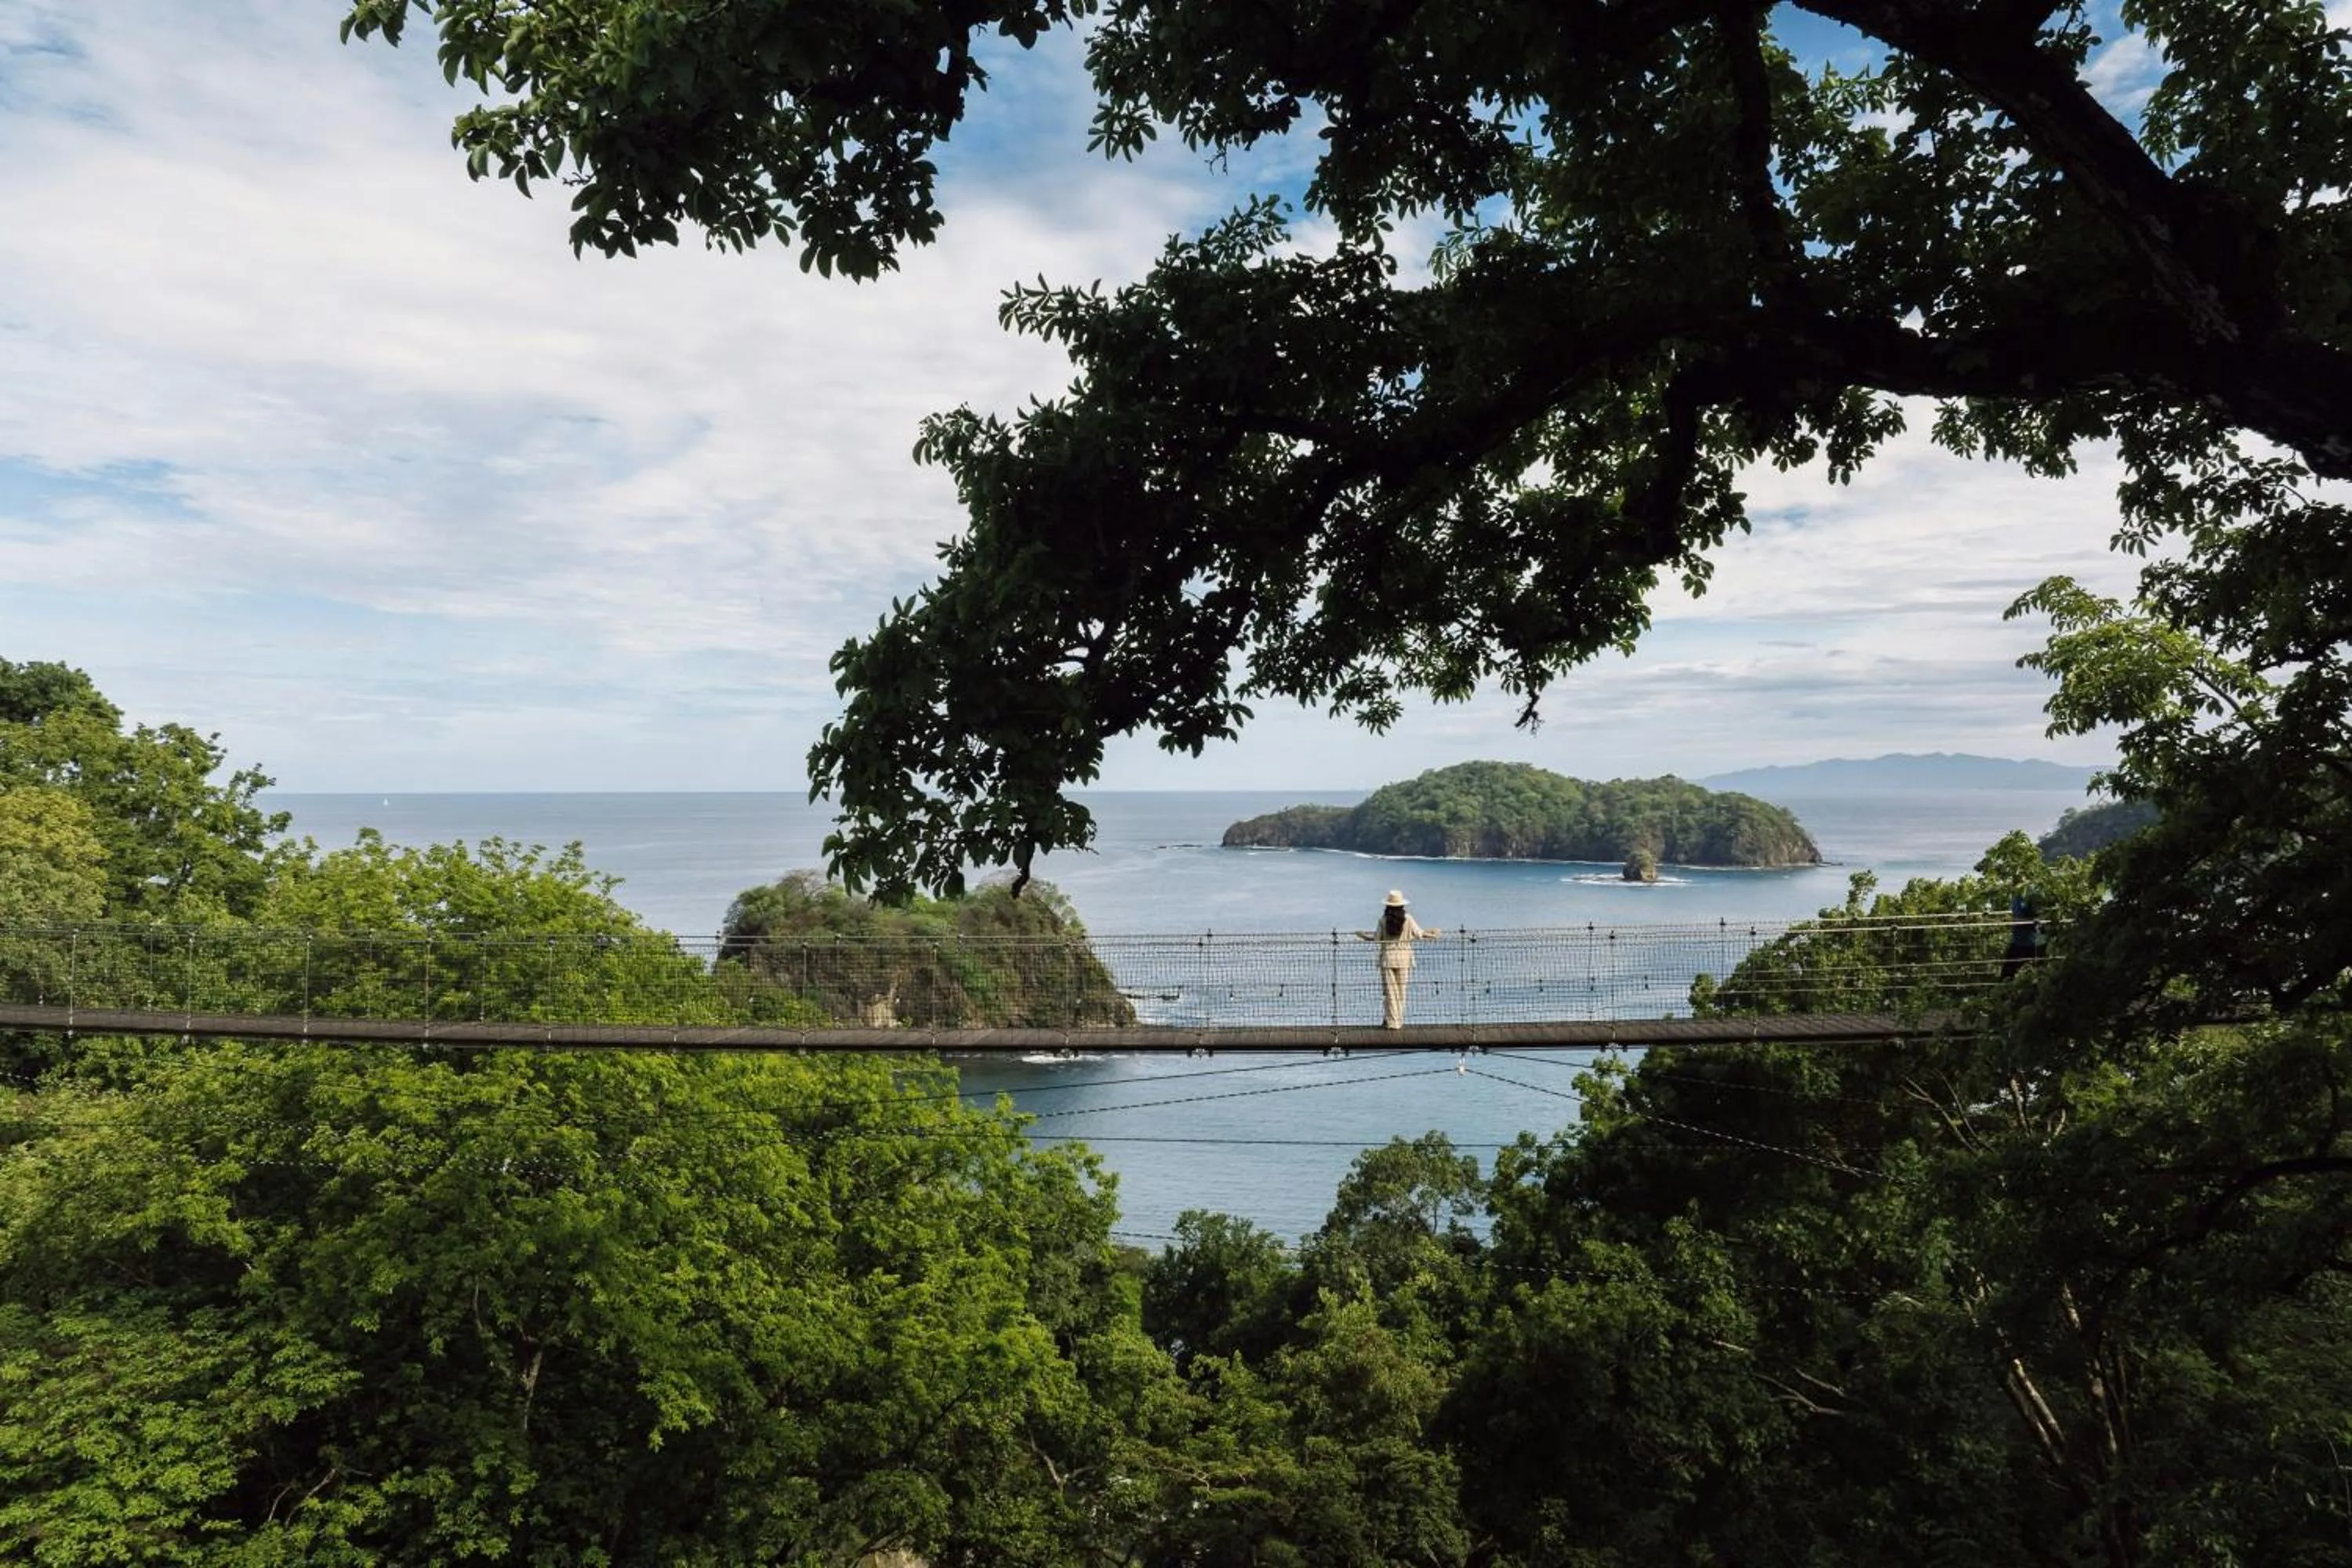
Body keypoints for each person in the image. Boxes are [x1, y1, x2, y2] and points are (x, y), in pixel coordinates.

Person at [1356, 890, 1443, 1029]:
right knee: (1401, 992)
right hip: (1404, 958)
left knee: (1390, 992)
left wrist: (1364, 936)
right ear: (1402, 906)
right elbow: (1419, 934)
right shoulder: (1408, 919)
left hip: (1388, 959)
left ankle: (1392, 1021)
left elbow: (1378, 939)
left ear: (1387, 906)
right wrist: (1432, 934)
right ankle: (1398, 1021)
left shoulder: (1383, 920)